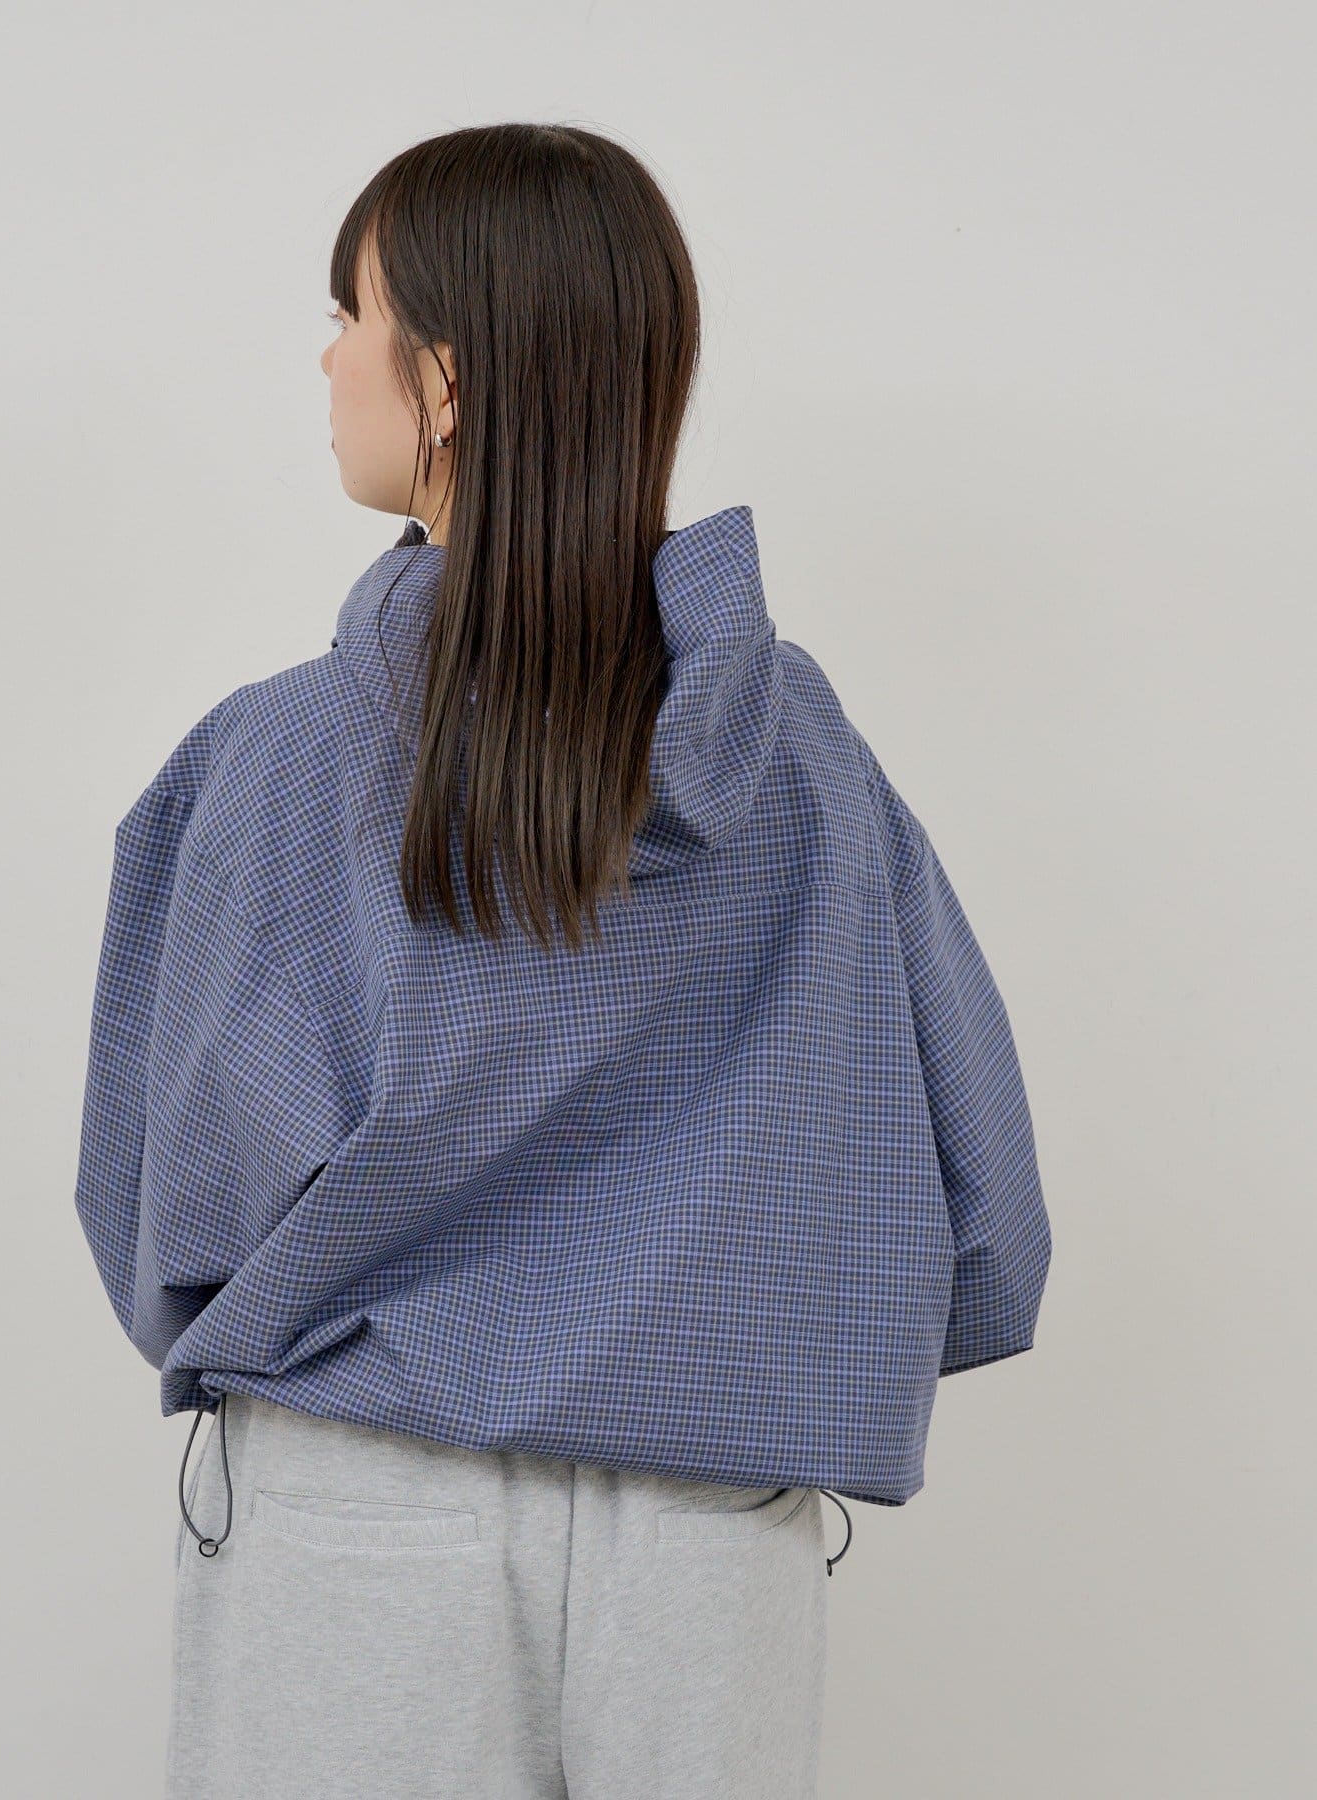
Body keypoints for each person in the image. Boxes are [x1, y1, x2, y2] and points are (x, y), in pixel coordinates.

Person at [74, 122, 1052, 1800]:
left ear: (445, 383)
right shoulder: (803, 754)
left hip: (361, 1509)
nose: (327, 357)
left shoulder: (285, 757)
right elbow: (984, 1218)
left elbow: (178, 1211)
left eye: (350, 313)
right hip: (711, 1548)